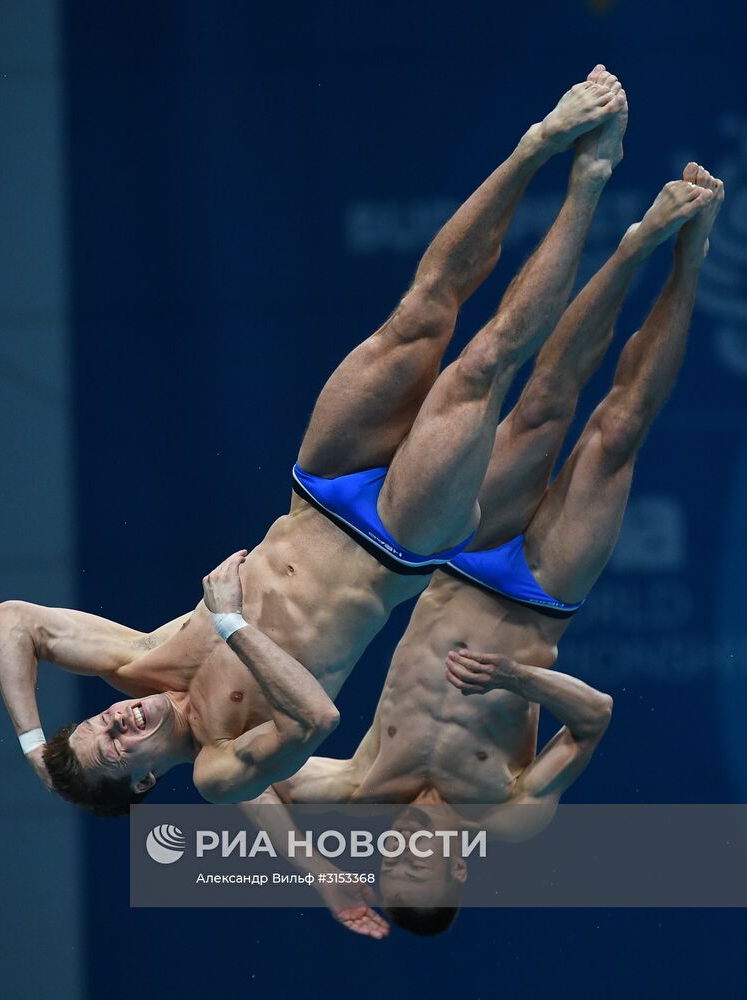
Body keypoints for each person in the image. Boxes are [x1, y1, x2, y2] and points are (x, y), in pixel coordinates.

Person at [0, 67, 628, 818]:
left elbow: (12, 619)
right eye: (116, 748)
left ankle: (540, 143)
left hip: (321, 491)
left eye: (99, 722)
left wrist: (35, 748)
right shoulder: (221, 769)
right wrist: (228, 620)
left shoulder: (137, 664)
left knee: (419, 312)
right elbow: (315, 721)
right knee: (485, 363)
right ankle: (591, 178)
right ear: (141, 783)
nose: (118, 722)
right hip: (392, 540)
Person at [258, 163, 725, 936]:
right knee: (617, 430)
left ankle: (636, 244)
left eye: (386, 868)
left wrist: (325, 881)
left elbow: (244, 787)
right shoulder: (508, 818)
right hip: (542, 596)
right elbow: (595, 719)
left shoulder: (362, 784)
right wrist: (515, 676)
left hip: (462, 564)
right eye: (417, 867)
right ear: (460, 867)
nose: (398, 853)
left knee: (543, 401)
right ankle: (691, 251)